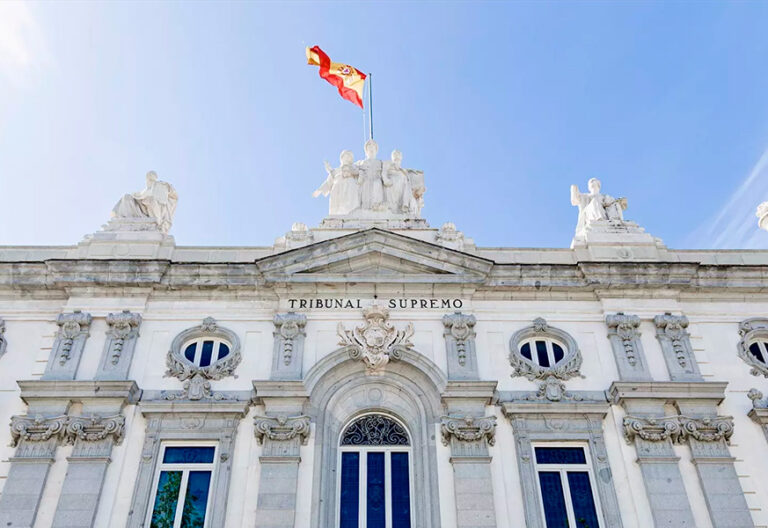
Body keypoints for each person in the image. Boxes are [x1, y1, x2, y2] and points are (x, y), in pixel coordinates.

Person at [111, 171, 178, 233]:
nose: (150, 178)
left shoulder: (161, 185)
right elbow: (140, 196)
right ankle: (123, 220)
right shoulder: (145, 190)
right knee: (126, 197)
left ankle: (155, 223)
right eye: (149, 176)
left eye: (152, 176)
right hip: (142, 206)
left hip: (154, 209)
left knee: (150, 200)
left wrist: (169, 188)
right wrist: (138, 197)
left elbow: (173, 197)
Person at [313, 150, 360, 215]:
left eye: (349, 157)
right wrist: (320, 190)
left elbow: (359, 176)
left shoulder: (354, 168)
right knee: (336, 204)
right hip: (337, 187)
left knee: (350, 201)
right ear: (342, 158)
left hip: (350, 186)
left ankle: (352, 214)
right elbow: (328, 181)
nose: (347, 158)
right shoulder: (336, 170)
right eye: (345, 156)